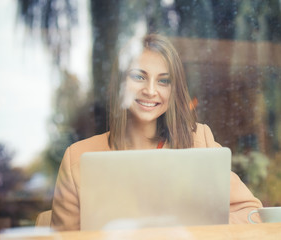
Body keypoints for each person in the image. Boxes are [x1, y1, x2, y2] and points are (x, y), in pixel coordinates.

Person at [50, 34, 262, 231]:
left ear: (173, 89)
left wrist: (194, 227)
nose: (151, 91)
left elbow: (252, 214)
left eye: (163, 81)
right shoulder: (77, 158)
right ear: (120, 84)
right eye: (139, 77)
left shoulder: (199, 141)